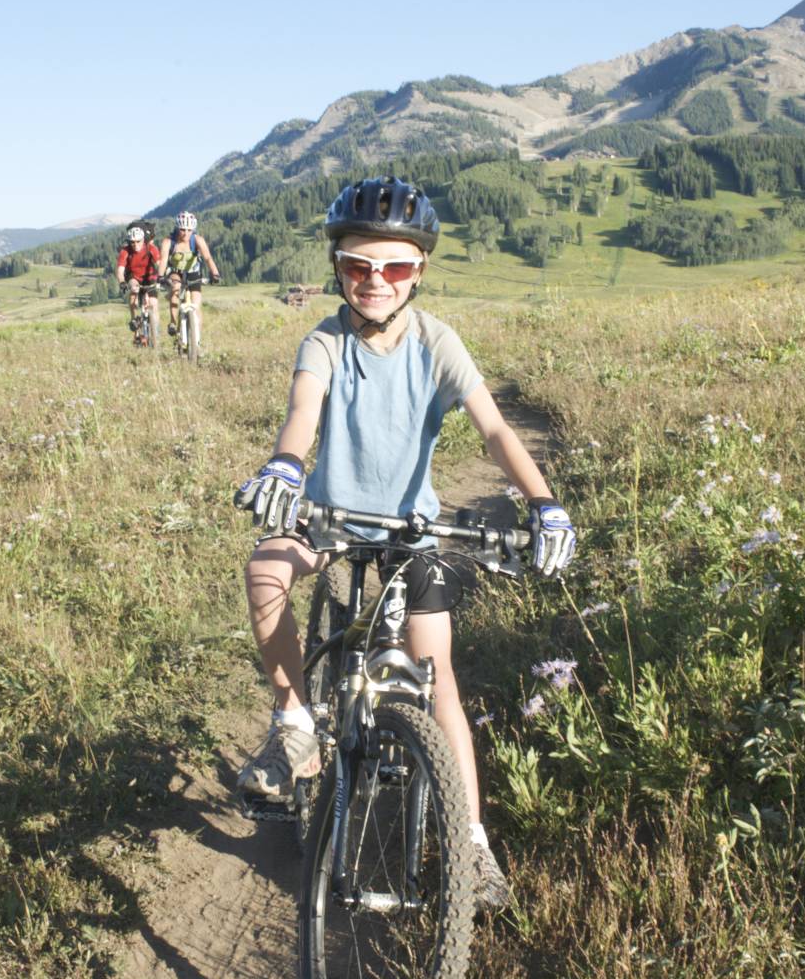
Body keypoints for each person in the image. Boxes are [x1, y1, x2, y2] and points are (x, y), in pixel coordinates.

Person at [235, 176, 578, 913]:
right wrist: (287, 465)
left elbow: (494, 429)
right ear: (338, 268)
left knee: (438, 681)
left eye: (394, 267)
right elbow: (304, 409)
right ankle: (295, 722)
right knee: (266, 569)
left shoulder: (436, 342)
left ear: (417, 271)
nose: (375, 281)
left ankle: (472, 844)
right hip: (328, 517)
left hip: (413, 531)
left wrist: (544, 504)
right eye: (359, 266)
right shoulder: (324, 339)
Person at [161, 211, 221, 344]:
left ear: (193, 229)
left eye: (189, 230)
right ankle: (173, 322)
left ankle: (197, 342)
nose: (186, 233)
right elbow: (164, 259)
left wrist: (215, 274)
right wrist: (160, 276)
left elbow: (208, 258)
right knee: (175, 289)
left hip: (193, 272)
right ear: (177, 228)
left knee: (196, 306)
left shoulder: (197, 240)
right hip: (175, 271)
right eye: (182, 229)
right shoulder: (169, 241)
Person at [113, 221, 165, 346]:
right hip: (133, 276)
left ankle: (155, 332)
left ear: (143, 240)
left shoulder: (151, 248)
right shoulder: (125, 252)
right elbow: (120, 270)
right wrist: (122, 282)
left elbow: (159, 263)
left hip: (150, 277)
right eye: (132, 242)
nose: (135, 245)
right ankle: (135, 322)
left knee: (154, 303)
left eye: (138, 241)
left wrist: (162, 276)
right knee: (134, 291)